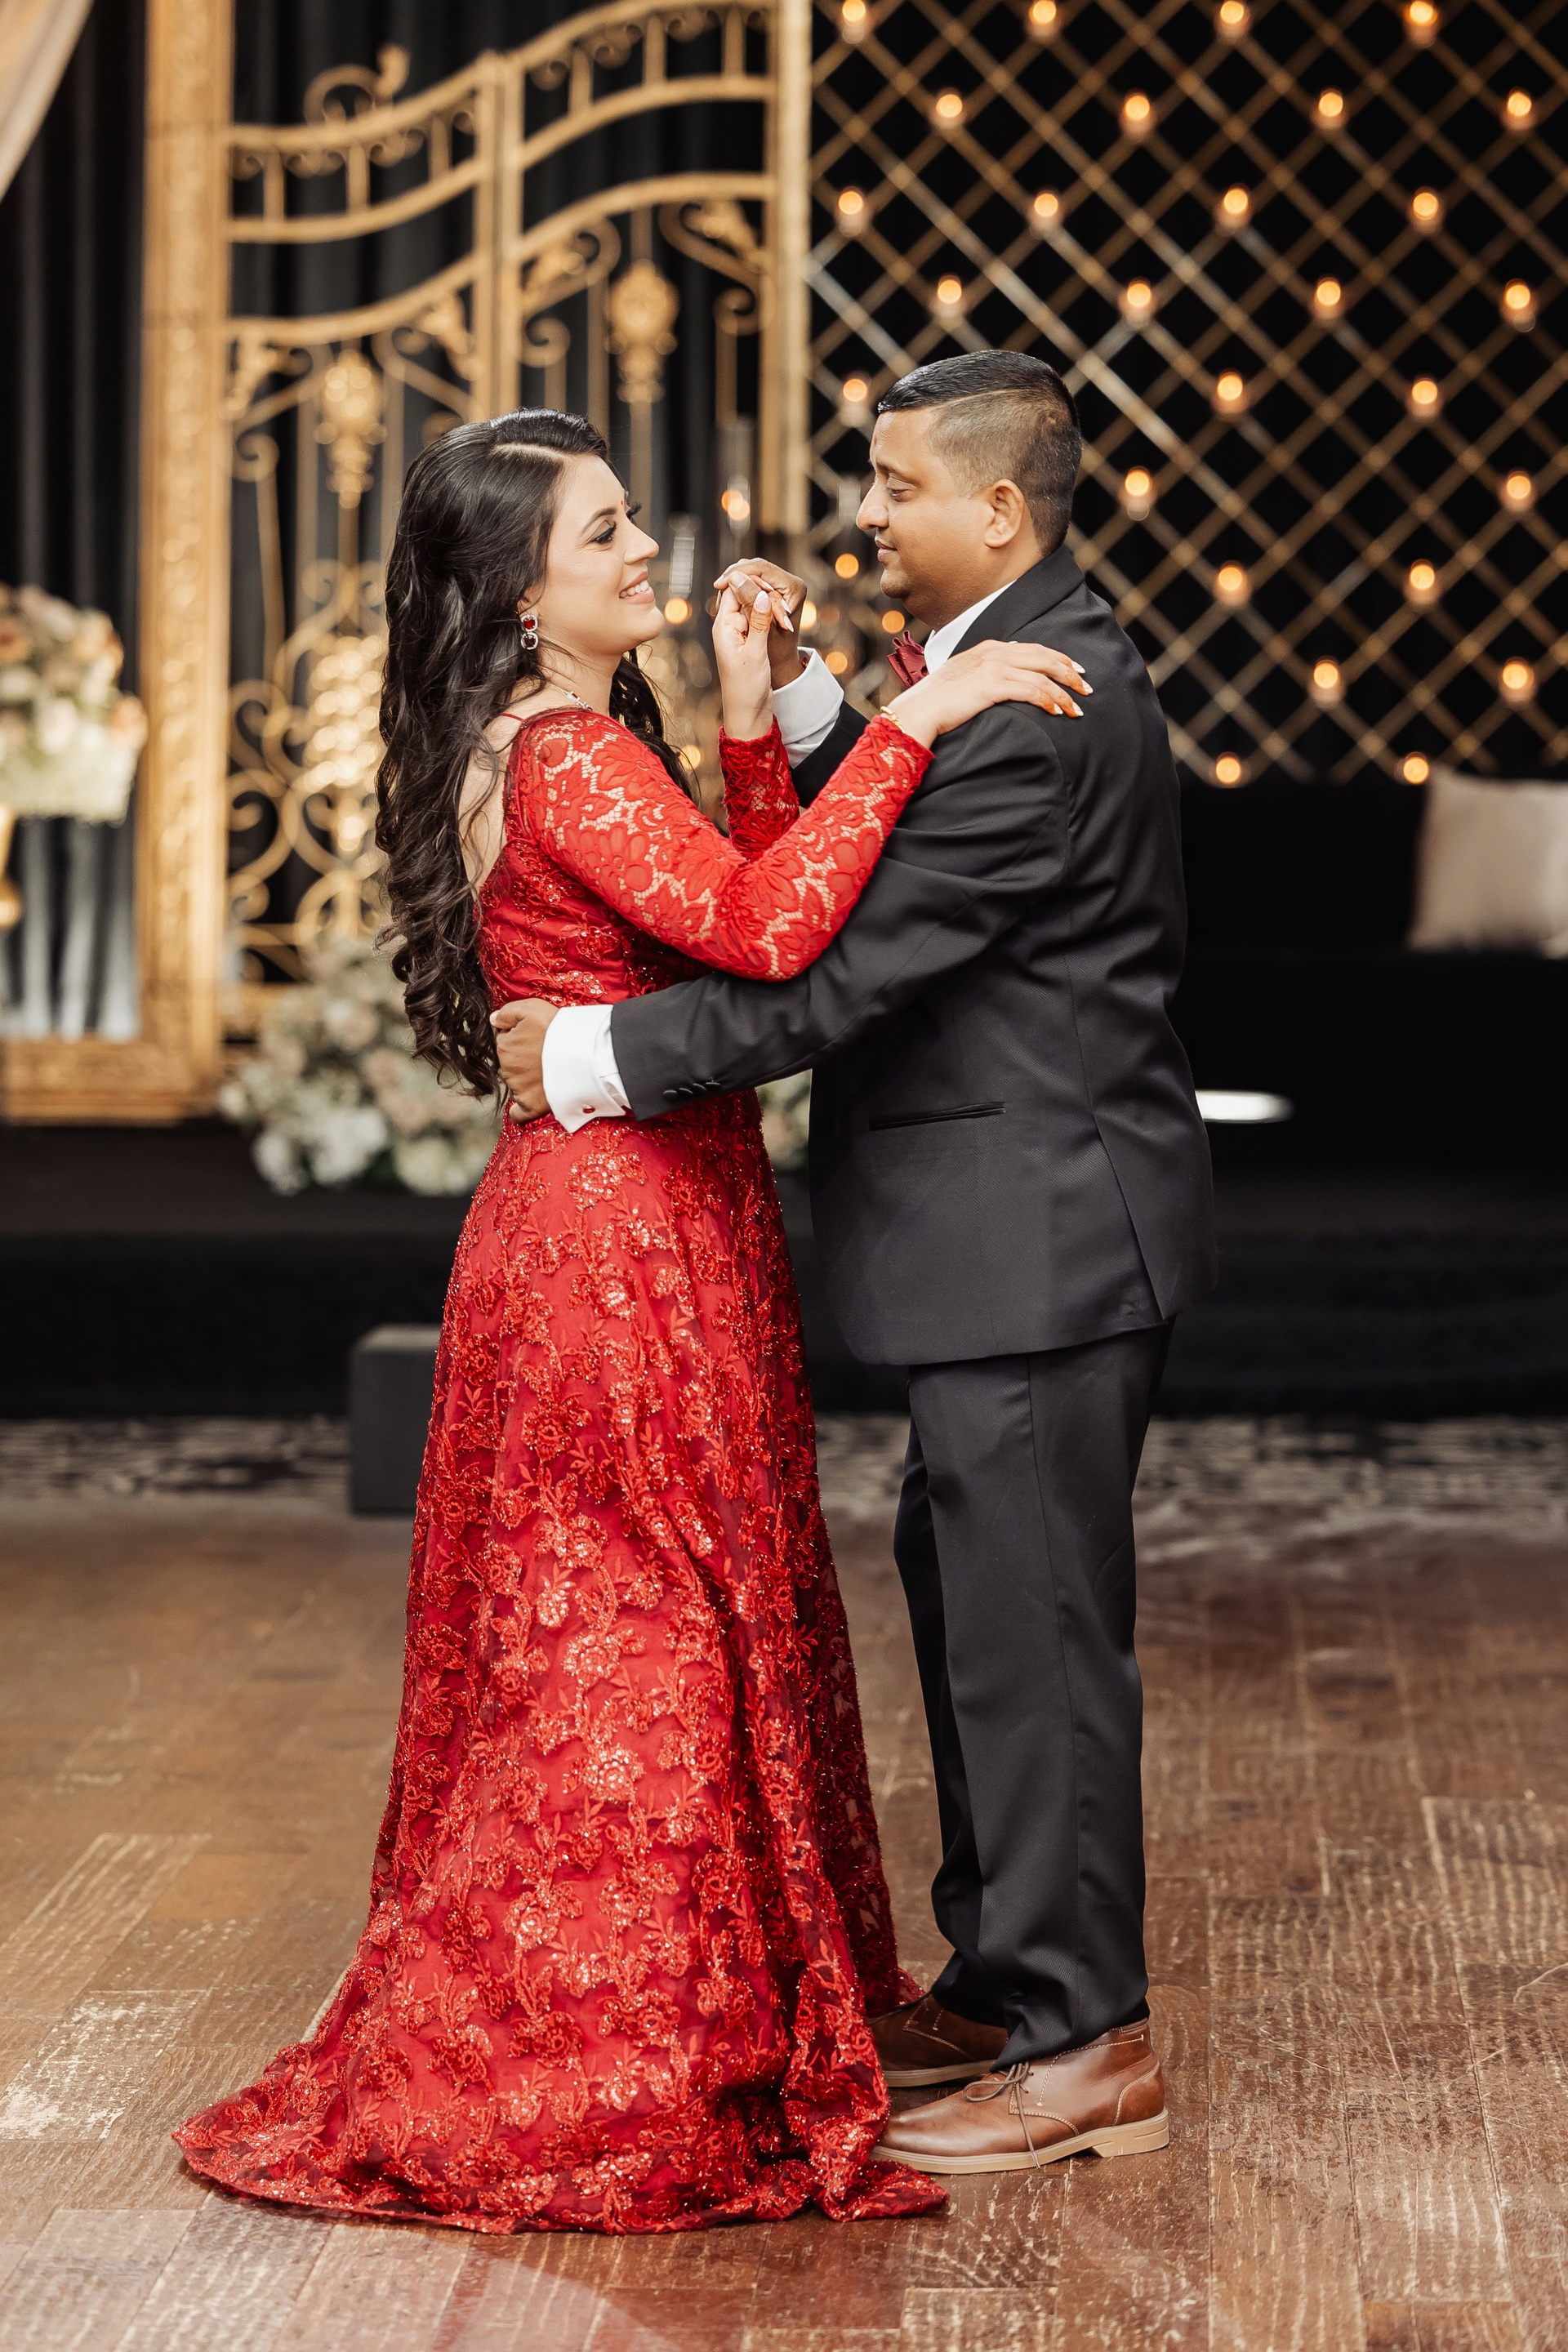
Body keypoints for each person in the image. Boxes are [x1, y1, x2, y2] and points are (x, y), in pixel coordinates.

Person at [173, 408, 1086, 2232]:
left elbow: (746, 915)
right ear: (522, 592)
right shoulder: (567, 754)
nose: (644, 547)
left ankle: (712, 2022)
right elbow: (771, 937)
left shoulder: (582, 744)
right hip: (616, 1243)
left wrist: (752, 721)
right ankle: (623, 2058)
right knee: (642, 1637)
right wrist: (910, 725)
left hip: (651, 1211)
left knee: (685, 1612)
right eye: (602, 532)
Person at [493, 353, 1218, 2176]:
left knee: (1037, 1646)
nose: (868, 511)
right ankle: (1000, 1984)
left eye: (899, 485)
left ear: (1000, 509)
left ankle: (1087, 2046)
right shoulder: (1008, 662)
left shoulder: (1037, 702)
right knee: (982, 1619)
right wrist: (820, 709)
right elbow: (888, 840)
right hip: (1006, 1244)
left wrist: (593, 1056)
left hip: (1039, 1240)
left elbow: (840, 965)